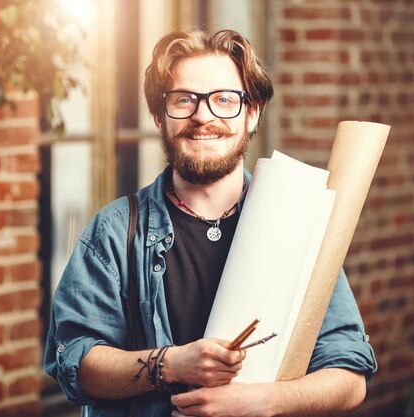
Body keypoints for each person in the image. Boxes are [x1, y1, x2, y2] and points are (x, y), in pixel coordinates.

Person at [44, 29, 376, 417]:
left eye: (223, 99)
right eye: (184, 100)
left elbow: (350, 376)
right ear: (158, 117)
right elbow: (76, 364)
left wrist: (263, 401)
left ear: (251, 115)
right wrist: (171, 363)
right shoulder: (115, 232)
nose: (203, 115)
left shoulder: (300, 224)